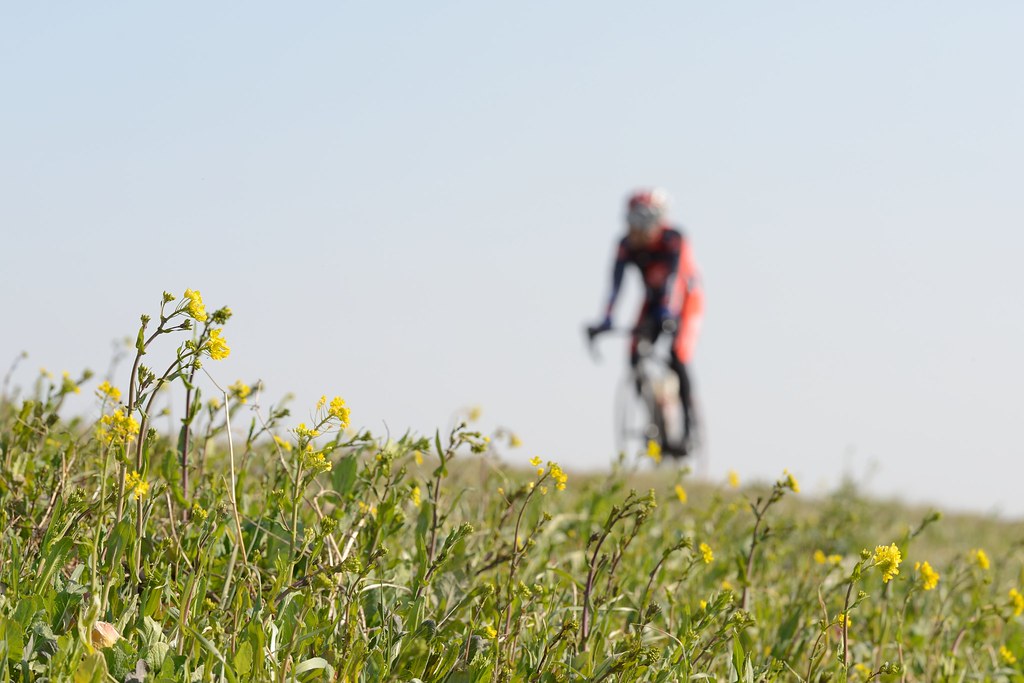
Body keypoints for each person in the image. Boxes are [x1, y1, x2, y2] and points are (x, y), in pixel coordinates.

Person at [588, 188, 704, 457]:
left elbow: (675, 278)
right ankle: (656, 420)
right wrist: (606, 319)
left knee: (677, 354)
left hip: (685, 300)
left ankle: (688, 431)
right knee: (634, 355)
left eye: (640, 220)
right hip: (653, 302)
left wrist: (667, 313)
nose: (634, 228)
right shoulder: (626, 245)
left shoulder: (674, 239)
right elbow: (615, 286)